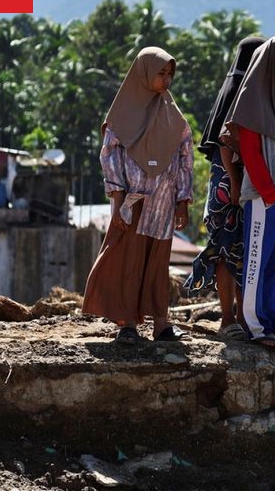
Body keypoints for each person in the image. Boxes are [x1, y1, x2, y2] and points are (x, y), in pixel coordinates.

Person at [83, 47, 192, 345]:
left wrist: (183, 200)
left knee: (158, 265)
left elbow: (185, 157)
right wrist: (117, 202)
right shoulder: (122, 116)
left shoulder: (173, 115)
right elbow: (110, 158)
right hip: (135, 203)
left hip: (163, 206)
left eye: (170, 73)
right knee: (129, 263)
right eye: (161, 72)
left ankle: (161, 324)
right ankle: (127, 324)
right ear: (143, 73)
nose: (167, 78)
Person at [218, 36, 275, 351]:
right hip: (263, 196)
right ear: (274, 64)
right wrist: (268, 193)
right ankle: (255, 327)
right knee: (257, 262)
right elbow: (251, 153)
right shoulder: (252, 99)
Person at [184, 36, 265, 341]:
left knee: (235, 252)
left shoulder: (234, 89)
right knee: (230, 252)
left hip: (229, 183)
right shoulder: (242, 93)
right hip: (231, 185)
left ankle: (240, 320)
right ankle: (230, 320)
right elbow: (224, 144)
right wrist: (234, 182)